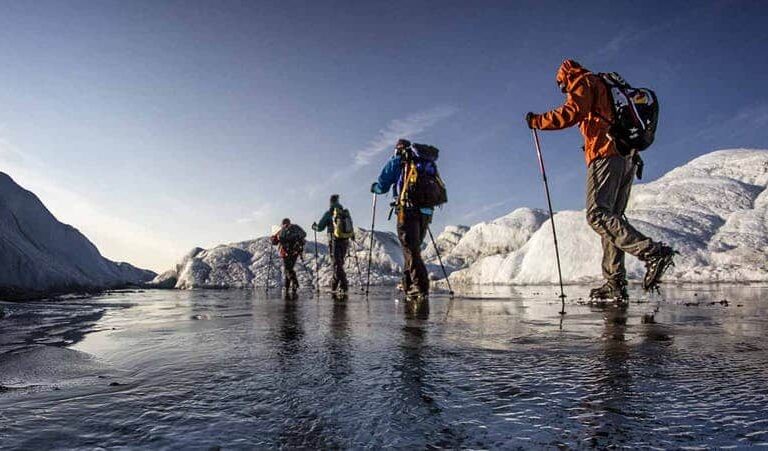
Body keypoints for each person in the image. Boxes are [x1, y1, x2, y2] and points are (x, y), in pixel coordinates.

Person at [526, 59, 675, 301]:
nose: (564, 90)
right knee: (611, 219)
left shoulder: (583, 81)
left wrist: (538, 121)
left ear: (565, 76)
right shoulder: (607, 85)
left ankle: (652, 252)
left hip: (605, 154)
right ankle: (615, 282)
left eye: (562, 85)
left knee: (596, 215)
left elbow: (573, 112)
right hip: (627, 156)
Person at [370, 139, 433, 300]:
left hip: (407, 210)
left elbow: (382, 185)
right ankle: (409, 284)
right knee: (412, 249)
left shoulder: (398, 160)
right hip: (426, 212)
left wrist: (375, 188)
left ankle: (420, 287)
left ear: (398, 149)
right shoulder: (423, 162)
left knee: (410, 249)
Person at [312, 194, 350, 295]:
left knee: (336, 264)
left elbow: (320, 228)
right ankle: (334, 285)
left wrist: (314, 227)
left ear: (330, 202)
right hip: (345, 241)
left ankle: (343, 285)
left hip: (334, 240)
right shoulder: (344, 213)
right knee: (339, 263)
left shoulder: (329, 213)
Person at [270, 218, 306, 296]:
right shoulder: (296, 228)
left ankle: (294, 283)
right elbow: (304, 234)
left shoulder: (280, 230)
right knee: (290, 268)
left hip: (285, 252)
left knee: (287, 269)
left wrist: (272, 238)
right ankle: (288, 287)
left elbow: (275, 242)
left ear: (282, 223)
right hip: (295, 251)